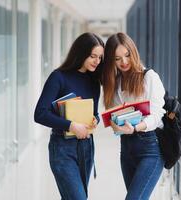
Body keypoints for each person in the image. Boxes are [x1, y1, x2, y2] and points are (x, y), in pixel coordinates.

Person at [34, 32, 104, 200]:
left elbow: (94, 113)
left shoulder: (94, 81)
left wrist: (95, 120)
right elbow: (40, 114)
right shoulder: (58, 77)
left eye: (100, 57)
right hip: (62, 149)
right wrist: (71, 125)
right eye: (93, 56)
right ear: (80, 53)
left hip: (86, 147)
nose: (97, 61)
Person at [101, 32, 165, 200]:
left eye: (127, 55)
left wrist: (136, 127)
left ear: (133, 52)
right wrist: (116, 125)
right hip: (127, 148)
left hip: (150, 148)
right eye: (117, 58)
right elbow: (115, 114)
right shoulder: (115, 83)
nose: (124, 62)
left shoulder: (149, 77)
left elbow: (157, 114)